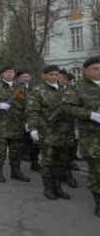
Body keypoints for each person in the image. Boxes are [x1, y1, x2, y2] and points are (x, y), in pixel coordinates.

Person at [27, 65, 73, 200]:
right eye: (51, 74)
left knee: (61, 161)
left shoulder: (66, 91)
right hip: (47, 132)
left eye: (57, 74)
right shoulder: (37, 91)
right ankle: (48, 189)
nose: (54, 77)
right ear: (44, 76)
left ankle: (58, 188)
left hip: (64, 132)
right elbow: (32, 111)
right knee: (48, 161)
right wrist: (33, 128)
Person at [63, 56, 100, 217]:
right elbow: (66, 108)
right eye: (95, 69)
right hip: (92, 139)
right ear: (86, 72)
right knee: (96, 172)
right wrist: (90, 115)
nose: (99, 72)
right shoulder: (78, 88)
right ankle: (98, 204)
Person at [0, 65, 30, 183]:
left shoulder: (21, 87)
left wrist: (28, 119)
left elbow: (28, 103)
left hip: (17, 125)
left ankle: (16, 172)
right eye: (7, 72)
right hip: (0, 126)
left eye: (12, 72)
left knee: (16, 150)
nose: (9, 74)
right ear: (2, 74)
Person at [17, 70, 39, 172]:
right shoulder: (15, 89)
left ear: (30, 78)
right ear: (19, 78)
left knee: (34, 143)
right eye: (23, 77)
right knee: (20, 143)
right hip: (18, 120)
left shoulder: (35, 89)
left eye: (27, 77)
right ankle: (16, 166)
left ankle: (35, 163)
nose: (25, 78)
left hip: (32, 119)